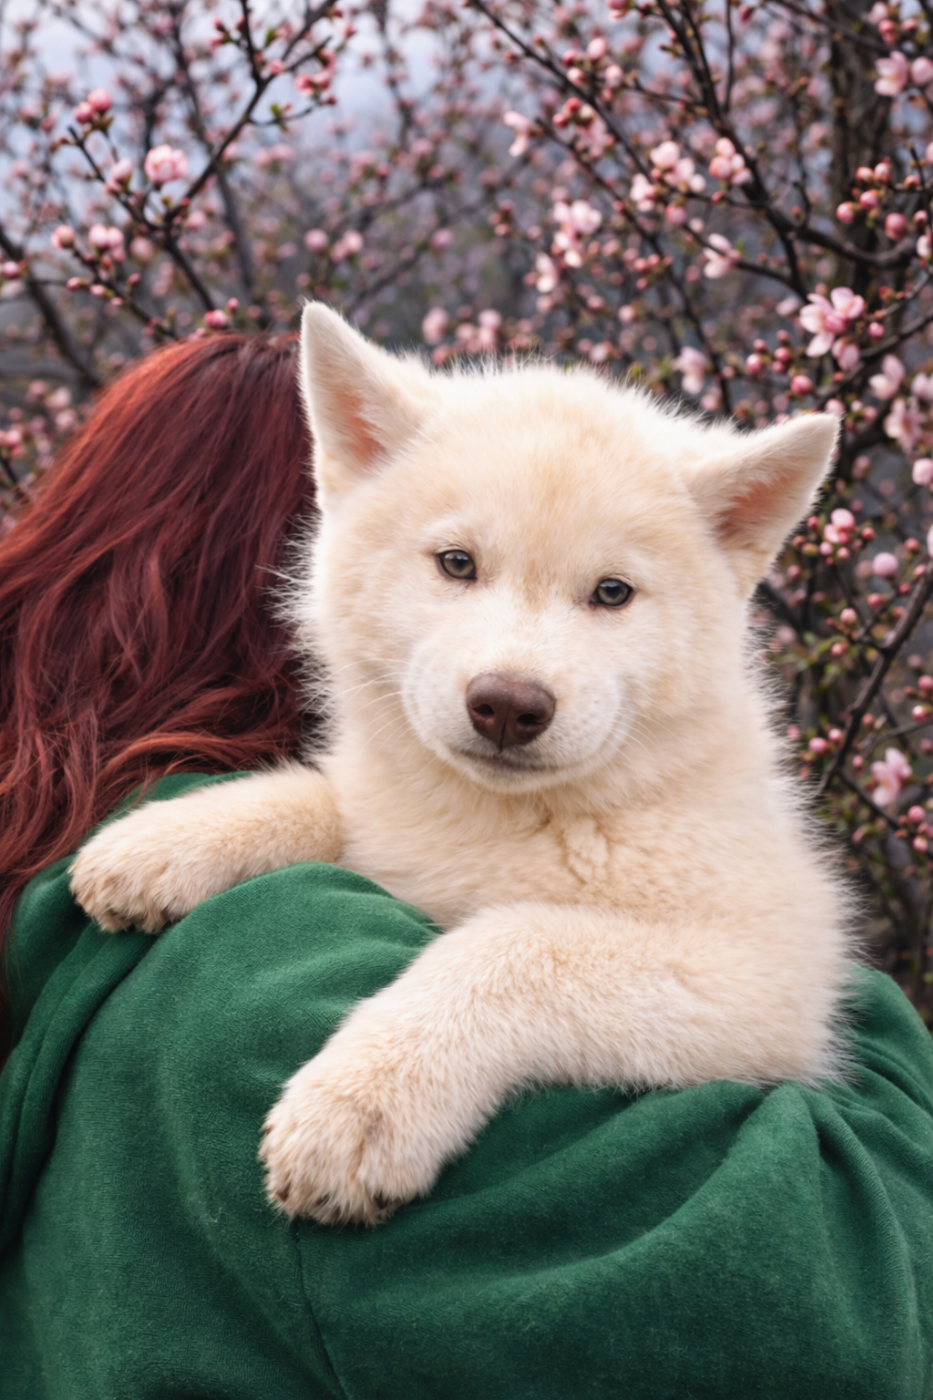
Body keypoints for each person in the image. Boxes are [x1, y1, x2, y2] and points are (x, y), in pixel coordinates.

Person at [1, 332, 933, 1400]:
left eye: (610, 593)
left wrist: (494, 982)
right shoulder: (256, 973)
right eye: (458, 564)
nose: (515, 675)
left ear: (739, 530)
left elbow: (758, 999)